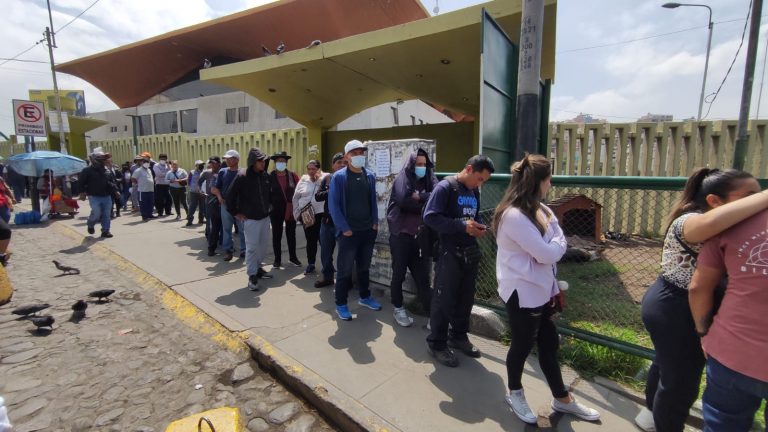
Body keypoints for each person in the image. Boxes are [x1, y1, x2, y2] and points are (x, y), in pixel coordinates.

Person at [637, 168, 768, 432]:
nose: (756, 200)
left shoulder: (725, 221)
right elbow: (699, 283)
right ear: (713, 201)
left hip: (675, 302)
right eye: (749, 195)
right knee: (680, 383)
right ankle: (663, 422)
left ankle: (652, 416)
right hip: (675, 305)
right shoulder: (691, 220)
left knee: (667, 366)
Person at [492, 154, 600, 424]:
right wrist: (555, 245)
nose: (551, 184)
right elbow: (547, 253)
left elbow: (556, 240)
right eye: (549, 178)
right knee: (522, 345)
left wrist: (554, 245)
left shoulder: (542, 209)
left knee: (549, 343)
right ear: (539, 181)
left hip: (542, 289)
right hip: (523, 292)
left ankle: (562, 400)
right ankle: (514, 392)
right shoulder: (514, 215)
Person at [690, 206, 768, 432]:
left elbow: (698, 287)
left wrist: (703, 333)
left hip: (732, 351)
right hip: (732, 350)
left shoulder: (733, 220)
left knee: (722, 423)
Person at [423, 154, 494, 367]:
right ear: (470, 169)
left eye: (484, 181)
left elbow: (475, 215)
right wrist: (462, 227)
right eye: (480, 178)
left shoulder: (473, 191)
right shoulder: (446, 188)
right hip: (449, 250)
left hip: (469, 250)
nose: (480, 184)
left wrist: (479, 226)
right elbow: (430, 216)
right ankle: (437, 343)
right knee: (444, 298)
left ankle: (459, 335)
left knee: (465, 298)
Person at [328, 140, 382, 320]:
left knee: (364, 267)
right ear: (346, 157)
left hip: (367, 230)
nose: (359, 156)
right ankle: (341, 304)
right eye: (354, 153)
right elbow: (333, 206)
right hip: (349, 233)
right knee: (344, 270)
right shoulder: (339, 177)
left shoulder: (370, 176)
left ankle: (365, 297)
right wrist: (344, 228)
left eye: (361, 152)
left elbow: (372, 201)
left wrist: (374, 222)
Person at [386, 148, 437, 327]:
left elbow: (438, 196)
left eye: (424, 164)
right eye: (418, 164)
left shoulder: (429, 179)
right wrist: (426, 204)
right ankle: (398, 308)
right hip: (401, 235)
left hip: (419, 238)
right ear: (411, 164)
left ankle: (433, 316)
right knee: (398, 274)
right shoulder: (403, 178)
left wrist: (421, 196)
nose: (422, 167)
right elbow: (404, 201)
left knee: (422, 278)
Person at [226, 148, 274, 291]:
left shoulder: (265, 175)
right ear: (253, 162)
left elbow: (269, 195)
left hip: (265, 218)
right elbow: (229, 197)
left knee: (262, 246)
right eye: (260, 161)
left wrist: (270, 207)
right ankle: (252, 275)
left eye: (264, 161)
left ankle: (258, 269)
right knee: (252, 248)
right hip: (251, 220)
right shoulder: (242, 176)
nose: (263, 163)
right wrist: (236, 213)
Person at [314, 152, 346, 288]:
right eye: (338, 162)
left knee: (344, 255)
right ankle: (327, 276)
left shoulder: (349, 178)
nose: (342, 165)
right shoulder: (327, 178)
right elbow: (318, 196)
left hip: (343, 224)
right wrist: (331, 190)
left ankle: (344, 280)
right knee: (326, 253)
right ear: (333, 165)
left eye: (344, 162)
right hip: (327, 223)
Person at [292, 160, 327, 275]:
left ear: (318, 169)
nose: (311, 171)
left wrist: (319, 178)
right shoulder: (303, 180)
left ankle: (327, 265)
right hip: (307, 215)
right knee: (310, 241)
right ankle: (311, 264)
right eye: (309, 169)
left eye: (314, 169)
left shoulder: (324, 179)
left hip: (321, 215)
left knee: (324, 241)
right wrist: (297, 213)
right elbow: (296, 197)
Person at [269, 151, 301, 268]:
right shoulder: (270, 176)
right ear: (275, 162)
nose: (280, 163)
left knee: (291, 234)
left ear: (286, 163)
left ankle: (293, 257)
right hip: (275, 210)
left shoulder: (293, 175)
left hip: (290, 209)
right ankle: (277, 260)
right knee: (276, 234)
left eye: (282, 161)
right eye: (278, 161)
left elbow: (299, 190)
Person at [212, 150, 245, 261]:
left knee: (242, 229)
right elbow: (216, 187)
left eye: (229, 158)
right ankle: (228, 251)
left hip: (240, 206)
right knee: (226, 229)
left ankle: (244, 250)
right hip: (225, 205)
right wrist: (220, 197)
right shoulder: (222, 171)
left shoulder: (243, 172)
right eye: (226, 158)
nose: (227, 160)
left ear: (236, 159)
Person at [78, 150, 117, 238]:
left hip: (107, 196)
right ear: (95, 160)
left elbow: (112, 181)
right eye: (102, 159)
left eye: (104, 159)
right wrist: (82, 192)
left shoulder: (107, 170)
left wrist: (116, 190)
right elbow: (81, 182)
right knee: (96, 213)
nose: (104, 160)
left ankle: (105, 231)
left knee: (107, 214)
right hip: (94, 196)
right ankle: (90, 224)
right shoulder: (87, 170)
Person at [200, 157, 223, 256]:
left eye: (214, 163)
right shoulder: (206, 173)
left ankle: (223, 243)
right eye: (211, 163)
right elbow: (199, 182)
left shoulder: (223, 172)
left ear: (219, 163)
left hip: (223, 201)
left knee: (224, 225)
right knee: (212, 224)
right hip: (211, 200)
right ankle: (211, 246)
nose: (212, 165)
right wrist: (201, 191)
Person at [132, 155, 156, 221]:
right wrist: (137, 183)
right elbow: (133, 178)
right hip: (142, 191)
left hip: (151, 190)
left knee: (151, 203)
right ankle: (144, 216)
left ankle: (150, 214)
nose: (147, 164)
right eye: (145, 163)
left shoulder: (149, 170)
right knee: (143, 204)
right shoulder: (138, 170)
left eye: (148, 163)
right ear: (143, 163)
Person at [187, 160, 206, 226]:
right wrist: (192, 187)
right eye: (200, 165)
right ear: (196, 166)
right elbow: (189, 181)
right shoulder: (192, 172)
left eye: (202, 164)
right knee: (192, 206)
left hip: (202, 192)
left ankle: (201, 220)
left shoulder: (204, 172)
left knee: (202, 206)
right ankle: (189, 220)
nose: (202, 166)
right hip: (194, 192)